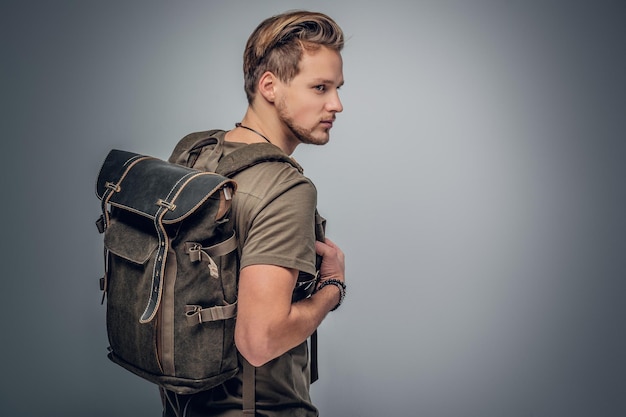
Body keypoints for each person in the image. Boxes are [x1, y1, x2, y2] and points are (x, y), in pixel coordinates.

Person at [161, 10, 347, 417]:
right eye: (320, 88)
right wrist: (332, 288)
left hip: (183, 406)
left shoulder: (193, 152)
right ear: (269, 86)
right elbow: (259, 342)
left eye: (336, 88)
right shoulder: (287, 189)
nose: (337, 104)